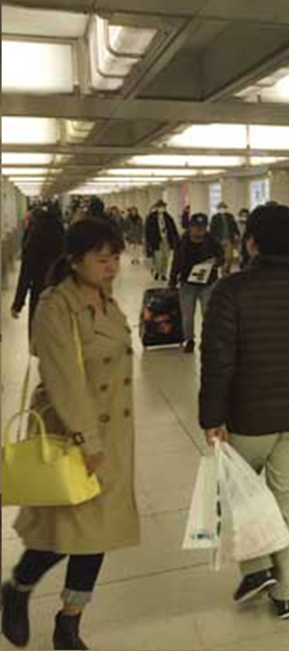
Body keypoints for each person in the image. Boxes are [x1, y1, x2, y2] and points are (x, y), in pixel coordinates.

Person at [1, 218, 139, 651]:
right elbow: (64, 381)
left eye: (115, 257)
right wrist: (88, 441)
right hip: (74, 434)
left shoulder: (106, 299)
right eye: (101, 258)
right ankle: (17, 588)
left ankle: (69, 622)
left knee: (97, 534)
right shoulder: (55, 306)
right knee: (65, 535)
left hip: (112, 435)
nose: (111, 265)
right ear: (75, 260)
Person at [199, 205, 289, 621]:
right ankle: (287, 593)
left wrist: (211, 417)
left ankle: (257, 568)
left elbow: (218, 362)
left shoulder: (230, 291)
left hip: (247, 418)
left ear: (251, 243)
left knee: (240, 492)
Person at [169, 213, 223, 354]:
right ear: (190, 227)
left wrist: (215, 262)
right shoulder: (182, 241)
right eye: (196, 227)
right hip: (187, 283)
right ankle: (189, 340)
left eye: (202, 228)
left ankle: (208, 340)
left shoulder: (212, 241)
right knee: (187, 315)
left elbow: (221, 258)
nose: (199, 231)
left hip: (208, 283)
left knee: (208, 314)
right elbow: (176, 261)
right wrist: (172, 281)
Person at [11, 205, 65, 333]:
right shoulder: (62, 238)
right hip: (60, 294)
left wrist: (18, 304)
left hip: (39, 292)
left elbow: (25, 275)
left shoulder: (33, 241)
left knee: (38, 331)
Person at [144, 201, 179, 281]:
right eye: (160, 207)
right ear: (157, 207)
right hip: (156, 240)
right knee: (158, 258)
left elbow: (173, 229)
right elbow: (147, 231)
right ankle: (157, 271)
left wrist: (175, 240)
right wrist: (148, 242)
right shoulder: (151, 218)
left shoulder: (168, 217)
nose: (162, 208)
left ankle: (163, 273)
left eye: (163, 207)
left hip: (167, 240)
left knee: (166, 257)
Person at [210, 203, 241, 275]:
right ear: (218, 208)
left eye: (223, 207)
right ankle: (224, 272)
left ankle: (226, 270)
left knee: (229, 257)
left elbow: (234, 226)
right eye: (221, 207)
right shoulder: (215, 217)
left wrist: (237, 234)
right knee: (222, 257)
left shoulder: (230, 216)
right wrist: (215, 238)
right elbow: (212, 229)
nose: (222, 209)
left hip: (229, 239)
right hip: (219, 240)